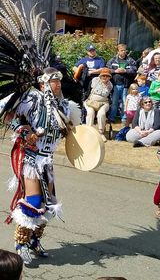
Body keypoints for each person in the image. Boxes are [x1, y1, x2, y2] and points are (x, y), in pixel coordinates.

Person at [4, 67, 81, 265]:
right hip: (30, 157)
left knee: (49, 204)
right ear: (42, 83)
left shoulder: (64, 106)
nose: (58, 84)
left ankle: (34, 240)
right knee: (34, 200)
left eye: (59, 81)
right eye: (54, 81)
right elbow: (7, 115)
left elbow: (70, 132)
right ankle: (21, 244)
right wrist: (23, 132)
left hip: (47, 160)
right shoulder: (33, 99)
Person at [106, 44, 137, 123]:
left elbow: (134, 70)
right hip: (115, 85)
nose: (123, 52)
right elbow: (107, 69)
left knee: (125, 102)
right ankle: (112, 118)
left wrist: (126, 71)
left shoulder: (130, 60)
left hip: (126, 85)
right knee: (114, 102)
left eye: (124, 50)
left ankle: (124, 118)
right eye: (121, 50)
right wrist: (115, 71)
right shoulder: (112, 60)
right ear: (118, 51)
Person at [84, 68, 113, 142]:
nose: (105, 77)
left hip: (103, 103)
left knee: (101, 113)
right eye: (103, 76)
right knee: (90, 113)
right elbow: (88, 91)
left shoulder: (110, 85)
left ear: (109, 77)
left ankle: (101, 132)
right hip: (91, 102)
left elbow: (107, 95)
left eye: (107, 76)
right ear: (100, 76)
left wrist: (106, 85)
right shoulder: (95, 80)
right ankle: (89, 131)